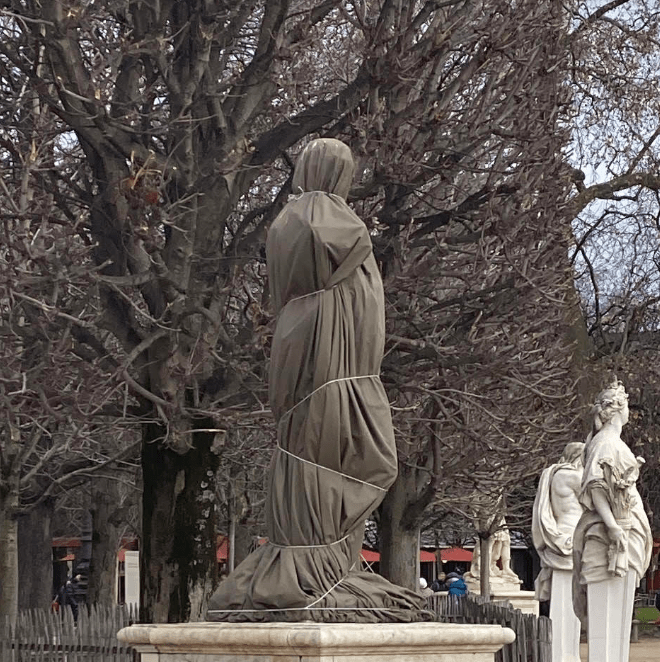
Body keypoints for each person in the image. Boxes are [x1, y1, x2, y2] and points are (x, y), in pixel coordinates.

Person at [572, 380, 652, 662]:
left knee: (617, 618)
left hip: (623, 531)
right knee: (607, 621)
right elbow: (596, 486)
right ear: (619, 408)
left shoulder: (611, 441)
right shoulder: (605, 442)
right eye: (627, 405)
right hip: (612, 537)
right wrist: (613, 526)